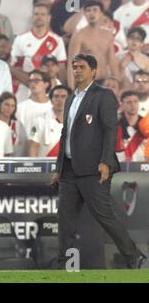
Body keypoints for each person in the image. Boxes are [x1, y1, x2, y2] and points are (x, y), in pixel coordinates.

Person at [51, 54, 146, 269]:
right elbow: (65, 133)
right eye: (74, 67)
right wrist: (59, 168)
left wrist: (105, 161)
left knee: (105, 217)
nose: (76, 71)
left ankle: (133, 256)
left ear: (93, 71)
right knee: (65, 221)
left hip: (94, 169)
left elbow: (110, 129)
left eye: (81, 67)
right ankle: (62, 265)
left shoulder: (103, 96)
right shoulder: (70, 99)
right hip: (68, 170)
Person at [11, 3, 67, 103]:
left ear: (48, 18)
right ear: (32, 16)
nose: (39, 17)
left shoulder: (57, 40)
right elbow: (14, 66)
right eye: (36, 14)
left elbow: (61, 68)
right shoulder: (20, 39)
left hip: (49, 89)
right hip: (25, 89)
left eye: (43, 14)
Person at [68, 0, 120, 89]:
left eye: (95, 10)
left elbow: (112, 62)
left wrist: (118, 83)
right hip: (86, 82)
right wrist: (71, 89)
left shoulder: (108, 35)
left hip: (104, 81)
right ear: (84, 14)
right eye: (88, 11)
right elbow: (71, 63)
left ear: (101, 14)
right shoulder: (79, 35)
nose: (91, 13)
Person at [28, 85, 71, 157]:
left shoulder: (75, 121)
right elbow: (33, 147)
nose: (60, 100)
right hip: (46, 165)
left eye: (63, 96)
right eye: (56, 96)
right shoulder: (39, 121)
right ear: (51, 100)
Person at [16, 70, 53, 136]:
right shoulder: (20, 108)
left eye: (36, 81)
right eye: (30, 81)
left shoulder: (54, 106)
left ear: (46, 84)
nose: (33, 83)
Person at [116, 91, 146, 162]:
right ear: (122, 105)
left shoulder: (146, 125)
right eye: (129, 102)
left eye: (135, 101)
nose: (133, 105)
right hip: (122, 168)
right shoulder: (116, 126)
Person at [0, 92, 27, 157]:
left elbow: (24, 147)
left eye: (12, 106)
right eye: (7, 105)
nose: (9, 108)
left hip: (14, 162)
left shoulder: (19, 126)